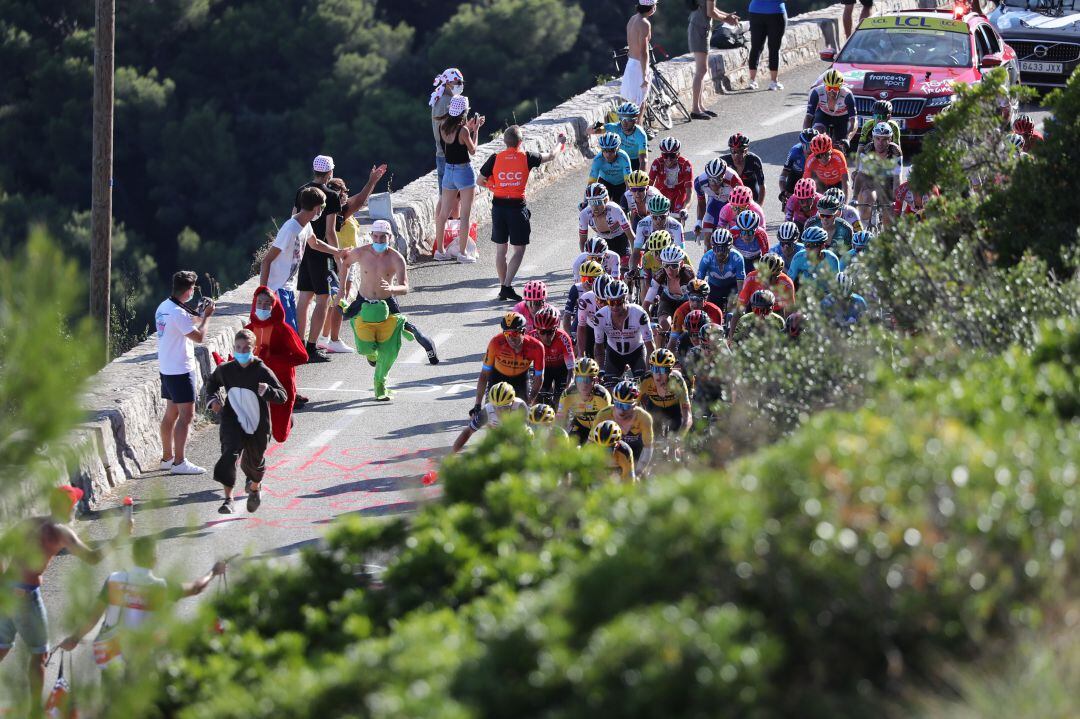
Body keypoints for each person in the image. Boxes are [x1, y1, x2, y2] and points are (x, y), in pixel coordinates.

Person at [0, 486, 131, 711]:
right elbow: (92, 558)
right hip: (26, 594)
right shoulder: (61, 531)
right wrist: (118, 538)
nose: (77, 508)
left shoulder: (30, 522)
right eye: (75, 504)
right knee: (39, 653)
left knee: (2, 646)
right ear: (68, 507)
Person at [58, 538, 227, 670]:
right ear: (154, 560)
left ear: (133, 558)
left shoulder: (114, 581)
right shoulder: (160, 587)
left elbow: (93, 617)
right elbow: (196, 588)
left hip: (110, 656)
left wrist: (74, 639)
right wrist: (213, 572)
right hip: (142, 657)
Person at [341, 220, 433, 401]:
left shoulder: (396, 258)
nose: (379, 240)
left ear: (390, 237)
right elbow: (344, 263)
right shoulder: (361, 252)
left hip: (387, 300)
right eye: (375, 236)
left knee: (401, 330)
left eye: (383, 237)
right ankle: (371, 354)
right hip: (363, 300)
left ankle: (425, 344)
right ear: (371, 236)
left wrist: (392, 290)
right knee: (350, 323)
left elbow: (405, 287)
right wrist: (341, 292)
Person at [478, 125, 566, 301]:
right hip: (517, 208)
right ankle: (506, 286)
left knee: (501, 250)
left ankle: (504, 286)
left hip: (498, 207)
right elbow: (552, 156)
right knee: (519, 250)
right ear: (520, 142)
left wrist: (496, 186)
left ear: (505, 142)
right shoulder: (526, 157)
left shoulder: (495, 158)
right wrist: (560, 143)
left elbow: (480, 181)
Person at [206, 329, 287, 515]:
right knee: (229, 455)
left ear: (254, 349)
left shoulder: (262, 371)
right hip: (232, 420)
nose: (241, 351)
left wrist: (267, 391)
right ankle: (228, 500)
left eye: (246, 348)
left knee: (255, 463)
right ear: (233, 348)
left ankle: (255, 487)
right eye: (238, 347)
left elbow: (282, 396)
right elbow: (211, 383)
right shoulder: (226, 370)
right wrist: (213, 401)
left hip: (257, 424)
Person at [261, 186, 343, 345]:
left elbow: (315, 243)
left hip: (288, 288)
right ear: (317, 208)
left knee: (292, 333)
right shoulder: (290, 229)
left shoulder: (305, 224)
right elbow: (266, 261)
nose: (322, 211)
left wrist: (338, 252)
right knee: (287, 334)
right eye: (323, 207)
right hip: (277, 289)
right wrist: (262, 291)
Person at [155, 270, 216, 475]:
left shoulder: (165, 306)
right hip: (181, 370)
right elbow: (199, 337)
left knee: (170, 413)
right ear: (189, 290)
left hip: (167, 368)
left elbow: (185, 323)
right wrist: (207, 317)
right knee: (186, 416)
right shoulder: (178, 313)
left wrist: (199, 312)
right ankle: (180, 462)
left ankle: (167, 458)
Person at [293, 155, 343, 362]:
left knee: (304, 298)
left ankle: (298, 344)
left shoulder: (302, 191)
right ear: (330, 172)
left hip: (303, 248)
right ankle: (312, 348)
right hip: (321, 251)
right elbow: (330, 232)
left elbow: (294, 218)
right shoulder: (331, 195)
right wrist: (338, 257)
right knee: (323, 299)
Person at [246, 286, 308, 444]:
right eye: (259, 303)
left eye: (267, 303)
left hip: (281, 382)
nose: (262, 307)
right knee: (253, 430)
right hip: (256, 383)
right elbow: (240, 355)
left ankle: (288, 418)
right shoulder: (248, 330)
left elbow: (302, 356)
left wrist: (272, 360)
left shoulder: (284, 330)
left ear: (273, 306)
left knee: (280, 436)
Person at [434, 95, 485, 263]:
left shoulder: (442, 126)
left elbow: (450, 146)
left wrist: (468, 129)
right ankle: (463, 253)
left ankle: (440, 251)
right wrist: (475, 131)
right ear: (464, 111)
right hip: (464, 171)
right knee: (465, 215)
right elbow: (472, 150)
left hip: (448, 171)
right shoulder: (463, 130)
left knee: (443, 214)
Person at [472, 312, 545, 414]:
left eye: (514, 333)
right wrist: (477, 404)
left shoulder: (536, 347)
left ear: (523, 331)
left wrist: (530, 400)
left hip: (521, 380)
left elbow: (539, 377)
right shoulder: (495, 343)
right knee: (492, 416)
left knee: (522, 418)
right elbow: (484, 374)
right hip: (497, 379)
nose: (510, 337)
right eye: (506, 333)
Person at [688, 0, 740, 118]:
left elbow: (710, 9)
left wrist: (727, 16)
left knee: (703, 70)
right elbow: (711, 12)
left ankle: (699, 106)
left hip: (700, 27)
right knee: (701, 70)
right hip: (699, 29)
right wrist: (727, 19)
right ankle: (695, 109)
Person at [594, 280, 655, 380]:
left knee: (643, 385)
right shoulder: (600, 317)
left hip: (637, 352)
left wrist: (649, 371)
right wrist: (600, 369)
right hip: (614, 354)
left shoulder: (639, 314)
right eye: (611, 302)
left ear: (625, 299)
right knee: (609, 387)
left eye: (618, 302)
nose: (614, 306)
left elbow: (650, 346)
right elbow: (599, 347)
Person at [593, 380, 655, 474]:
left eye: (626, 406)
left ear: (635, 404)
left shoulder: (644, 418)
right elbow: (592, 442)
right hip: (612, 453)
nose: (621, 410)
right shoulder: (603, 415)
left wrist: (639, 471)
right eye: (618, 404)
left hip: (637, 451)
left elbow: (648, 447)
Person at [453, 382, 528, 453]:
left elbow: (522, 435)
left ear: (512, 403)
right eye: (496, 408)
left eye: (504, 407)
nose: (500, 411)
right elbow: (468, 431)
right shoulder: (488, 410)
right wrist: (452, 454)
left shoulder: (520, 407)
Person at [429, 67, 465, 216]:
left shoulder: (439, 98)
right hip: (449, 155)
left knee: (444, 196)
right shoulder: (448, 101)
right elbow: (449, 130)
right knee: (455, 198)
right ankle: (453, 229)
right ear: (449, 83)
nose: (461, 85)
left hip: (441, 153)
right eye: (458, 82)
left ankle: (442, 229)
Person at [853, 123, 903, 226]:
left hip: (889, 184)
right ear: (873, 138)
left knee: (889, 218)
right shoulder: (866, 151)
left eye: (885, 139)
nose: (880, 142)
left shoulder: (896, 153)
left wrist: (895, 200)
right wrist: (854, 198)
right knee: (866, 199)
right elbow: (860, 177)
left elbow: (897, 179)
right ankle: (866, 227)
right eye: (877, 138)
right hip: (872, 184)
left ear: (890, 139)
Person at [643, 246, 696, 341]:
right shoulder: (660, 275)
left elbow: (695, 301)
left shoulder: (689, 275)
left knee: (689, 326)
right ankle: (659, 353)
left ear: (682, 263)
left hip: (686, 302)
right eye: (666, 265)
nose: (669, 270)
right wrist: (650, 324)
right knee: (663, 326)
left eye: (674, 266)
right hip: (667, 300)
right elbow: (646, 305)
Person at [557, 358, 614, 444]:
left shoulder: (602, 395)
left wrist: (591, 440)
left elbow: (607, 423)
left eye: (587, 380)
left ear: (595, 381)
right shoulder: (567, 395)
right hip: (580, 425)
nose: (584, 384)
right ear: (575, 380)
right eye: (580, 380)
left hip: (598, 428)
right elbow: (560, 419)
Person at [529, 305, 575, 409]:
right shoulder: (531, 337)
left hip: (562, 369)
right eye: (542, 332)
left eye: (550, 332)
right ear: (536, 330)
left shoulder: (563, 338)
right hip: (543, 369)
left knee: (561, 401)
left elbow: (571, 369)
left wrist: (568, 388)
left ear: (556, 328)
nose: (546, 336)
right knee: (537, 398)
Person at [639, 348, 692, 439]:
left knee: (675, 440)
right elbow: (633, 406)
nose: (658, 375)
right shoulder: (645, 380)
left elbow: (687, 416)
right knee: (653, 438)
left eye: (663, 370)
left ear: (670, 371)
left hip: (674, 409)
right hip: (655, 407)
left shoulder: (677, 381)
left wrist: (680, 437)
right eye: (655, 369)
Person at [622, 0, 657, 129]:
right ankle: (639, 135)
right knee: (640, 104)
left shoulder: (632, 19)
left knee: (628, 105)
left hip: (630, 63)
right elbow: (644, 51)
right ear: (652, 7)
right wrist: (645, 76)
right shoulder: (644, 23)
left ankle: (630, 135)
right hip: (638, 66)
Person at [578, 184, 635, 261]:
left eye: (598, 202)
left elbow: (631, 236)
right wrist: (586, 260)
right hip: (602, 240)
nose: (595, 207)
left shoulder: (615, 209)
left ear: (605, 200)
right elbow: (583, 240)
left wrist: (635, 257)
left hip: (621, 238)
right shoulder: (584, 214)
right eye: (591, 203)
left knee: (626, 263)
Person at [693, 157, 744, 240]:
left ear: (724, 176)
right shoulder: (699, 182)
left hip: (732, 206)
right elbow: (701, 203)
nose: (714, 184)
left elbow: (742, 201)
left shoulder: (734, 180)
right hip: (714, 205)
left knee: (731, 238)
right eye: (711, 180)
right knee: (707, 238)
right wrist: (699, 221)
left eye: (718, 180)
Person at [632, 194, 685, 272]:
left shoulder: (676, 226)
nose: (658, 221)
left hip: (670, 251)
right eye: (655, 217)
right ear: (650, 215)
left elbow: (681, 253)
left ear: (668, 214)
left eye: (662, 217)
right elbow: (636, 251)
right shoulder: (642, 224)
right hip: (651, 249)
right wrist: (633, 269)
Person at [590, 102, 648, 172]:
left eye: (628, 119)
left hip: (635, 161)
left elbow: (643, 159)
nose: (624, 122)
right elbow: (591, 131)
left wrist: (641, 177)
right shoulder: (615, 127)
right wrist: (597, 124)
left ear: (635, 120)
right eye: (621, 118)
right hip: (619, 159)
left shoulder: (640, 134)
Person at [697, 228, 746, 310]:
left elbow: (741, 285)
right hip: (714, 288)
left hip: (733, 287)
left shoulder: (737, 258)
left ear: (729, 247)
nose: (720, 252)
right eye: (716, 249)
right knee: (711, 312)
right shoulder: (706, 258)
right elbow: (698, 283)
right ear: (712, 247)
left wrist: (740, 302)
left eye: (723, 249)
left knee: (735, 309)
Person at [803, 70, 857, 144]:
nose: (832, 92)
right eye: (829, 88)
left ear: (840, 87)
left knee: (840, 143)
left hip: (842, 118)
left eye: (835, 89)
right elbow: (808, 117)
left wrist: (848, 138)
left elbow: (854, 120)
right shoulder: (816, 92)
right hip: (823, 115)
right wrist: (806, 135)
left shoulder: (847, 95)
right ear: (825, 86)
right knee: (817, 137)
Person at [669, 279, 724, 349]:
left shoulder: (715, 311)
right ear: (688, 298)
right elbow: (673, 340)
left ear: (705, 299)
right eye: (692, 298)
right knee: (682, 337)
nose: (695, 304)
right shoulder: (681, 311)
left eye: (699, 299)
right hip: (687, 344)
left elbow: (717, 341)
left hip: (707, 344)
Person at [747, 0, 787, 91]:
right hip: (776, 11)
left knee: (756, 46)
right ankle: (773, 82)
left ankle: (752, 80)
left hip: (755, 10)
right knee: (774, 48)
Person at [562, 260, 603, 349]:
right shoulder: (576, 288)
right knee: (575, 348)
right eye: (584, 279)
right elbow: (567, 315)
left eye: (591, 280)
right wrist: (570, 337)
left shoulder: (605, 287)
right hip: (582, 319)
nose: (587, 283)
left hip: (601, 321)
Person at [787, 225, 842, 290]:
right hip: (805, 295)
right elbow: (789, 283)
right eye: (806, 244)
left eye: (813, 245)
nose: (809, 248)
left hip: (826, 296)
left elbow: (836, 285)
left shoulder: (832, 259)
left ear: (822, 246)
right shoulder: (798, 257)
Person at [649, 137, 694, 214]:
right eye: (666, 155)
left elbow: (689, 192)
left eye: (672, 156)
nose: (669, 159)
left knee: (678, 215)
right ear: (662, 155)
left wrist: (685, 209)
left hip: (679, 192)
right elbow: (648, 186)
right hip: (661, 191)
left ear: (678, 155)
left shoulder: (686, 165)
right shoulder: (657, 163)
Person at [587, 134, 634, 205]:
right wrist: (585, 201)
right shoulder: (597, 159)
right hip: (605, 182)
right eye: (605, 150)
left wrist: (629, 198)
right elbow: (591, 183)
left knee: (622, 205)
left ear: (617, 149)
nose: (608, 154)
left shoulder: (624, 157)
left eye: (611, 150)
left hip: (621, 184)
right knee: (600, 204)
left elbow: (628, 182)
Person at [721, 133, 766, 204]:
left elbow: (762, 186)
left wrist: (759, 206)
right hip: (732, 194)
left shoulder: (754, 161)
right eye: (733, 151)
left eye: (740, 151)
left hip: (751, 193)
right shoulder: (724, 162)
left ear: (746, 150)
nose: (737, 155)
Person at [779, 129, 818, 203]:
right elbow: (784, 173)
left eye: (813, 146)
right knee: (787, 201)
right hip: (797, 175)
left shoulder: (821, 152)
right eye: (806, 147)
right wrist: (783, 192)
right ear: (802, 145)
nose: (810, 150)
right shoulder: (795, 151)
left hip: (814, 176)